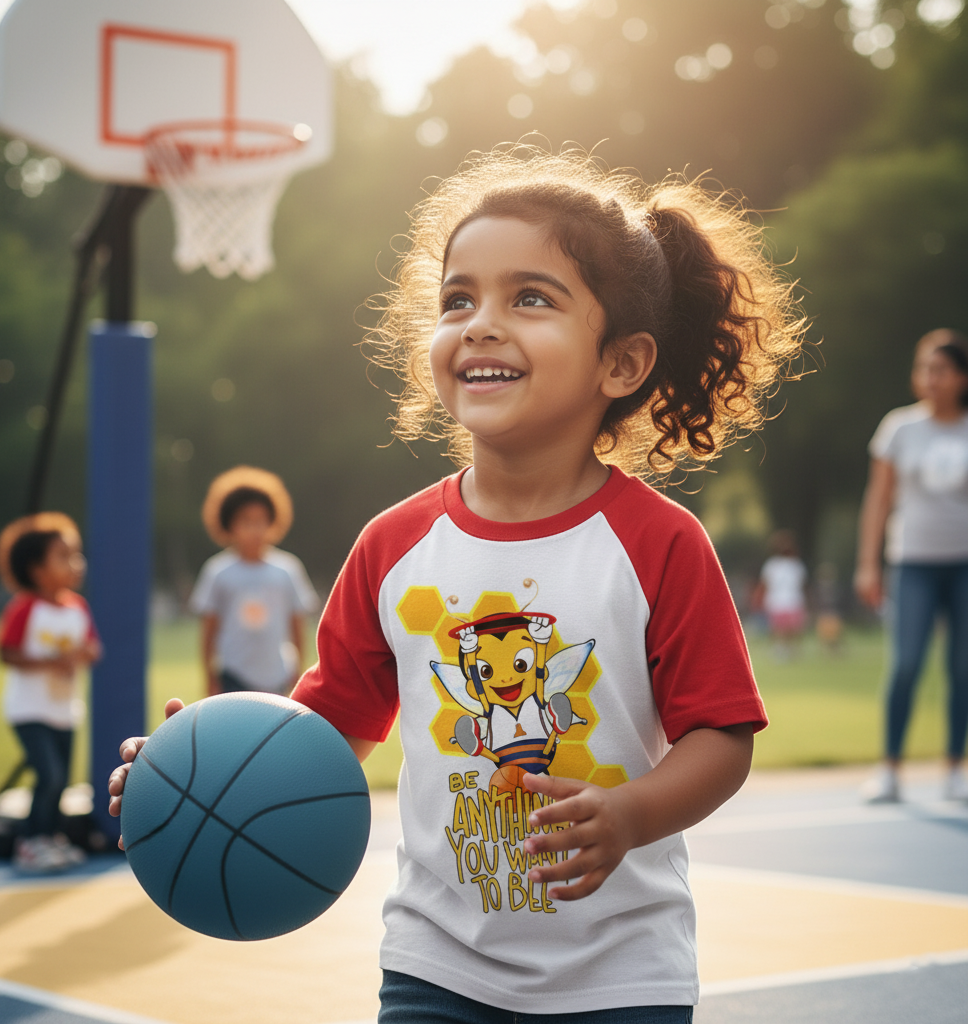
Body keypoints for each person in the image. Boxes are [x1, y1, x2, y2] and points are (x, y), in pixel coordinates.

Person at [109, 146, 805, 1021]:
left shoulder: (658, 543)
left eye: (531, 298)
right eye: (457, 299)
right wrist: (198, 772)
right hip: (435, 964)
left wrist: (631, 814)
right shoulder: (394, 545)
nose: (480, 324)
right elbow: (325, 726)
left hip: (621, 974)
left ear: (621, 364)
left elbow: (720, 738)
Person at [855, 329, 968, 804]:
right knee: (906, 664)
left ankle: (955, 768)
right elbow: (878, 499)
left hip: (964, 567)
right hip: (912, 563)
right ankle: (890, 769)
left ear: (961, 377)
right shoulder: (899, 428)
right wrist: (868, 564)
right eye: (924, 368)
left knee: (962, 668)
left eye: (940, 369)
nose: (930, 377)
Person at [0, 512, 101, 872]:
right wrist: (53, 661)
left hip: (64, 711)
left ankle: (52, 837)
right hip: (28, 710)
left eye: (76, 554)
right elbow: (6, 652)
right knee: (49, 776)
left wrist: (81, 655)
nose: (76, 563)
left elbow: (92, 648)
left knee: (62, 780)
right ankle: (30, 841)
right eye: (63, 556)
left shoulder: (78, 607)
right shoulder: (26, 607)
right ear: (37, 570)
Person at [190, 466, 318, 697]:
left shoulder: (287, 569)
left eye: (260, 521)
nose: (255, 530)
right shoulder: (218, 572)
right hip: (233, 675)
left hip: (277, 676)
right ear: (229, 525)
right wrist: (209, 678)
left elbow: (297, 625)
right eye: (246, 522)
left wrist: (298, 673)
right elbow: (209, 630)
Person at [753, 529, 808, 660]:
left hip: (787, 600)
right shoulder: (779, 565)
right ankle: (783, 650)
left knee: (788, 628)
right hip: (782, 600)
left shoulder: (792, 565)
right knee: (782, 628)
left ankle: (788, 650)